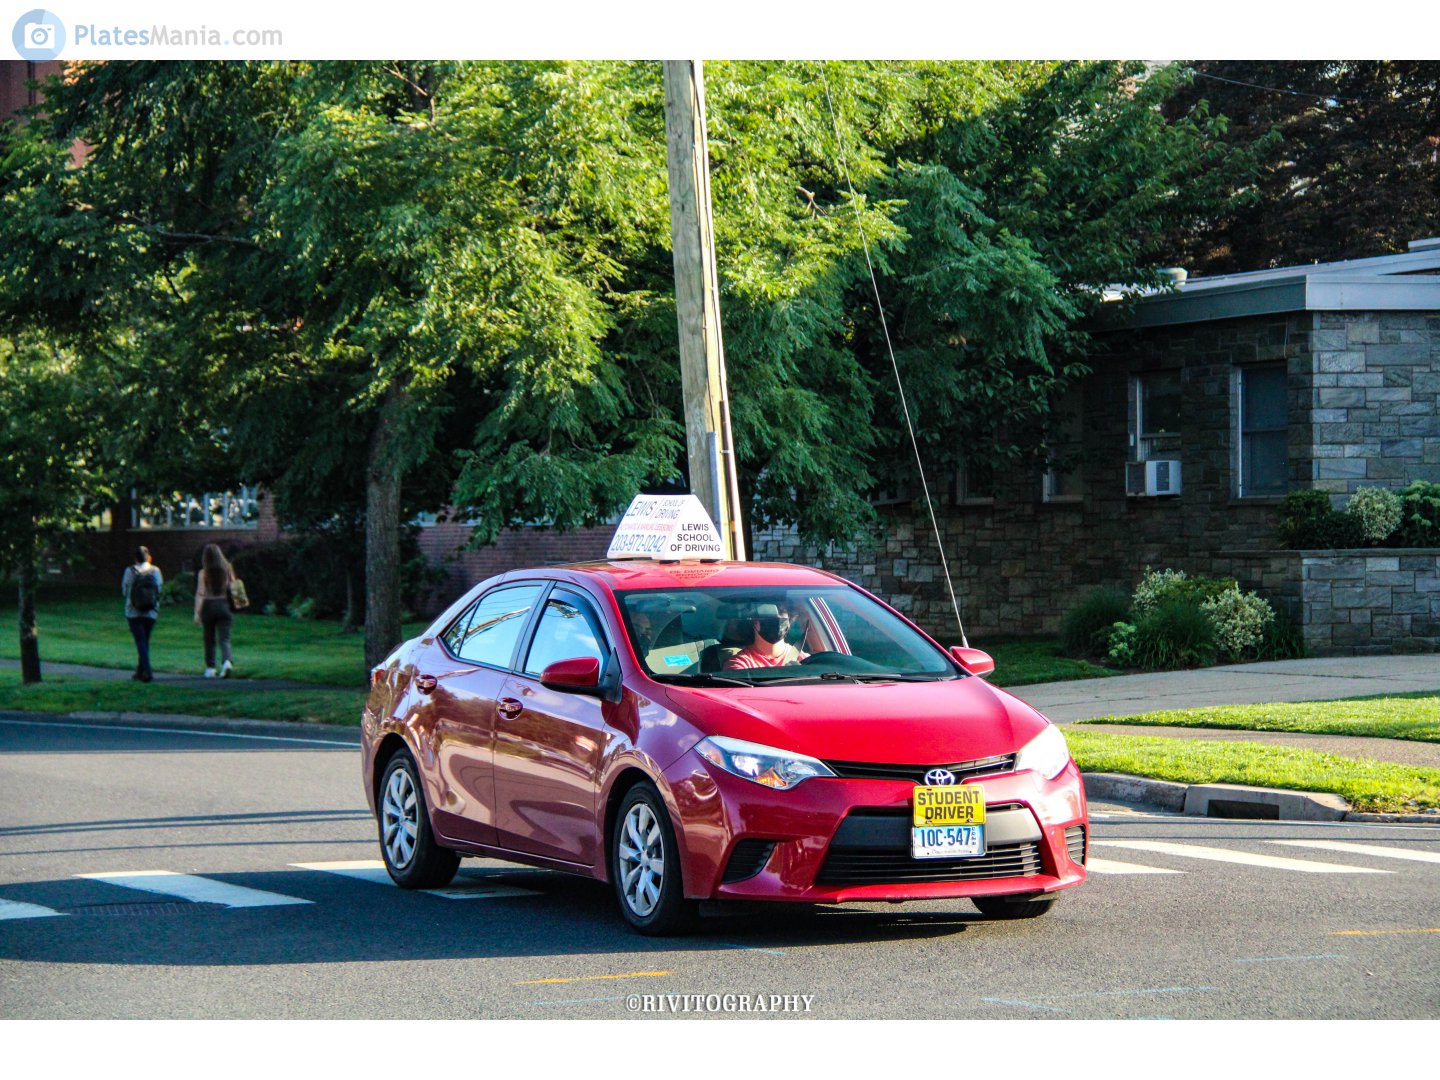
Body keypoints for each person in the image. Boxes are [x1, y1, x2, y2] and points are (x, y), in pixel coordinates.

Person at [723, 603, 810, 670]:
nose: (777, 617)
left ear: (789, 620)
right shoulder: (741, 663)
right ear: (754, 622)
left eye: (781, 612)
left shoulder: (803, 659)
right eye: (768, 613)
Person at [121, 545, 163, 682]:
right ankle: (140, 672)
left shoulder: (130, 571)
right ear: (149, 557)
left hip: (133, 611)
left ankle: (147, 672)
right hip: (151, 611)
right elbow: (159, 589)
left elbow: (125, 591)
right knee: (145, 641)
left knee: (140, 641)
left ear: (135, 559)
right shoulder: (155, 571)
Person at [194, 543, 236, 678]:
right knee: (225, 638)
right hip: (224, 604)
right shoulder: (227, 569)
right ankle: (227, 662)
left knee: (209, 638)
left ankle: (211, 668)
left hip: (209, 605)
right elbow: (234, 586)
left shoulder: (203, 573)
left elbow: (200, 593)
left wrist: (197, 613)